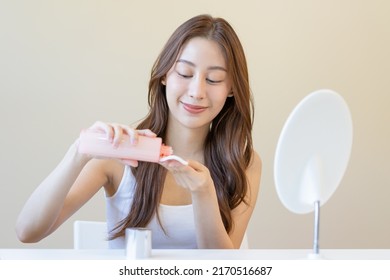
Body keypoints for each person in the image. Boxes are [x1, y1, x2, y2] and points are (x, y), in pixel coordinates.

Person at [15, 14, 262, 249]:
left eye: (214, 79)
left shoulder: (243, 162)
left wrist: (204, 193)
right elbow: (28, 231)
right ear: (165, 75)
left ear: (231, 88)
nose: (197, 91)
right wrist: (79, 151)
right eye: (184, 73)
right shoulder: (118, 153)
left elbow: (223, 268)